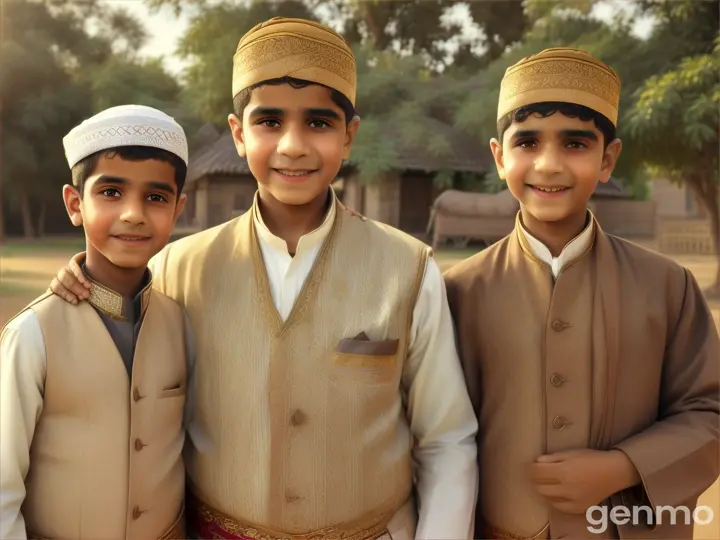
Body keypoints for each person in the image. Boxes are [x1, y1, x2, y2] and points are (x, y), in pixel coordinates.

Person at [47, 17, 479, 540]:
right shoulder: (177, 269)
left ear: (349, 136)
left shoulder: (409, 269)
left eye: (318, 123)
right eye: (269, 121)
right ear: (238, 134)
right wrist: (78, 278)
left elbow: (446, 439)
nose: (293, 146)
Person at [443, 47, 720, 540]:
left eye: (575, 144)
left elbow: (709, 415)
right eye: (527, 142)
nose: (549, 165)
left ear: (608, 158)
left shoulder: (666, 285)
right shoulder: (458, 290)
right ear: (499, 156)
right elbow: (436, 433)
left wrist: (624, 468)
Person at [0, 105, 191, 540]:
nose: (133, 213)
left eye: (156, 197)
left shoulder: (181, 323)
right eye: (110, 192)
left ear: (177, 209)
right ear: (74, 204)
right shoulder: (33, 333)